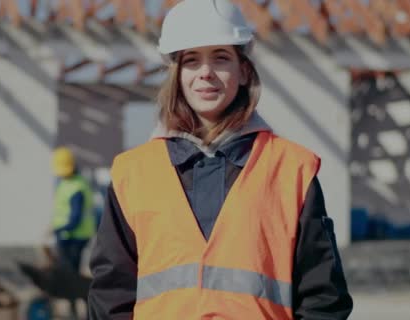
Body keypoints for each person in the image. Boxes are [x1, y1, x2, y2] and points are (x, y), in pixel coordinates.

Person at [88, 0, 353, 319]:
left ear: (243, 71)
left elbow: (322, 298)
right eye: (191, 60)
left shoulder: (291, 169)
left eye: (221, 58)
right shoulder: (133, 174)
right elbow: (110, 297)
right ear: (176, 73)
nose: (206, 73)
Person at [50, 147, 96, 273]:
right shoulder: (68, 182)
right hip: (68, 235)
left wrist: (57, 229)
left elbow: (75, 218)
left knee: (69, 272)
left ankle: (70, 292)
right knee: (67, 270)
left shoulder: (77, 187)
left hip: (75, 236)